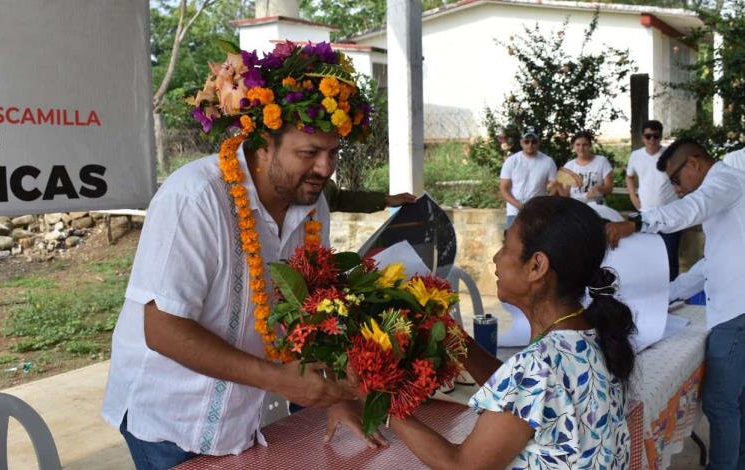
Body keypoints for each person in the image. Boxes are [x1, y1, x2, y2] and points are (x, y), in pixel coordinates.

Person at [101, 41, 372, 469]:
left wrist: (334, 398)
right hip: (171, 420)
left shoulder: (311, 202)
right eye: (309, 154)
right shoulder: (195, 197)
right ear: (263, 143)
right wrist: (281, 381)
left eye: (333, 152)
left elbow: (310, 312)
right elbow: (164, 330)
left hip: (248, 416)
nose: (325, 168)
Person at [330, 196, 637, 469]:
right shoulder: (591, 335)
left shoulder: (538, 365)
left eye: (506, 245)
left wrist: (377, 396)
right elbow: (519, 394)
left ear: (536, 266)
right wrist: (451, 334)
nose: (496, 257)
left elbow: (461, 465)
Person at [606, 138, 745, 470]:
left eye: (676, 180)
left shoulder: (724, 181)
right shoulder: (727, 195)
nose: (677, 190)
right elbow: (711, 264)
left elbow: (688, 211)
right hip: (735, 307)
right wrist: (661, 295)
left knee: (721, 403)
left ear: (694, 164)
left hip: (737, 313)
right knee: (737, 401)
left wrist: (637, 222)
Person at [626, 120, 681, 280]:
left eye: (655, 136)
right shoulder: (636, 156)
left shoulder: (670, 155)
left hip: (670, 214)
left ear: (660, 137)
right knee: (647, 256)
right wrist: (632, 195)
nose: (652, 140)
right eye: (648, 136)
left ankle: (673, 294)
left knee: (670, 256)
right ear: (642, 137)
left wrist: (680, 192)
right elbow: (629, 177)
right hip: (646, 214)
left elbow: (680, 177)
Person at [499, 126, 558, 227]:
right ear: (521, 142)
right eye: (526, 141)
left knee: (539, 242)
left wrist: (543, 204)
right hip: (514, 212)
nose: (530, 145)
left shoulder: (548, 162)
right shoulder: (511, 161)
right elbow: (504, 188)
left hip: (538, 212)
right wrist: (520, 206)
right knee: (513, 242)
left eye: (534, 141)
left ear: (539, 142)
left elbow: (555, 186)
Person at [556, 131, 614, 204]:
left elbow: (609, 188)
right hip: (574, 205)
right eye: (578, 145)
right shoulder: (568, 165)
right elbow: (565, 194)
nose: (581, 148)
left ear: (590, 146)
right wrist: (558, 186)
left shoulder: (602, 161)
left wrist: (599, 189)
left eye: (585, 145)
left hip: (596, 205)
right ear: (573, 146)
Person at [322, 178, 416, 213]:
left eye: (332, 154)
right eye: (311, 153)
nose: (325, 166)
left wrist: (386, 200)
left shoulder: (324, 187)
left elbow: (340, 199)